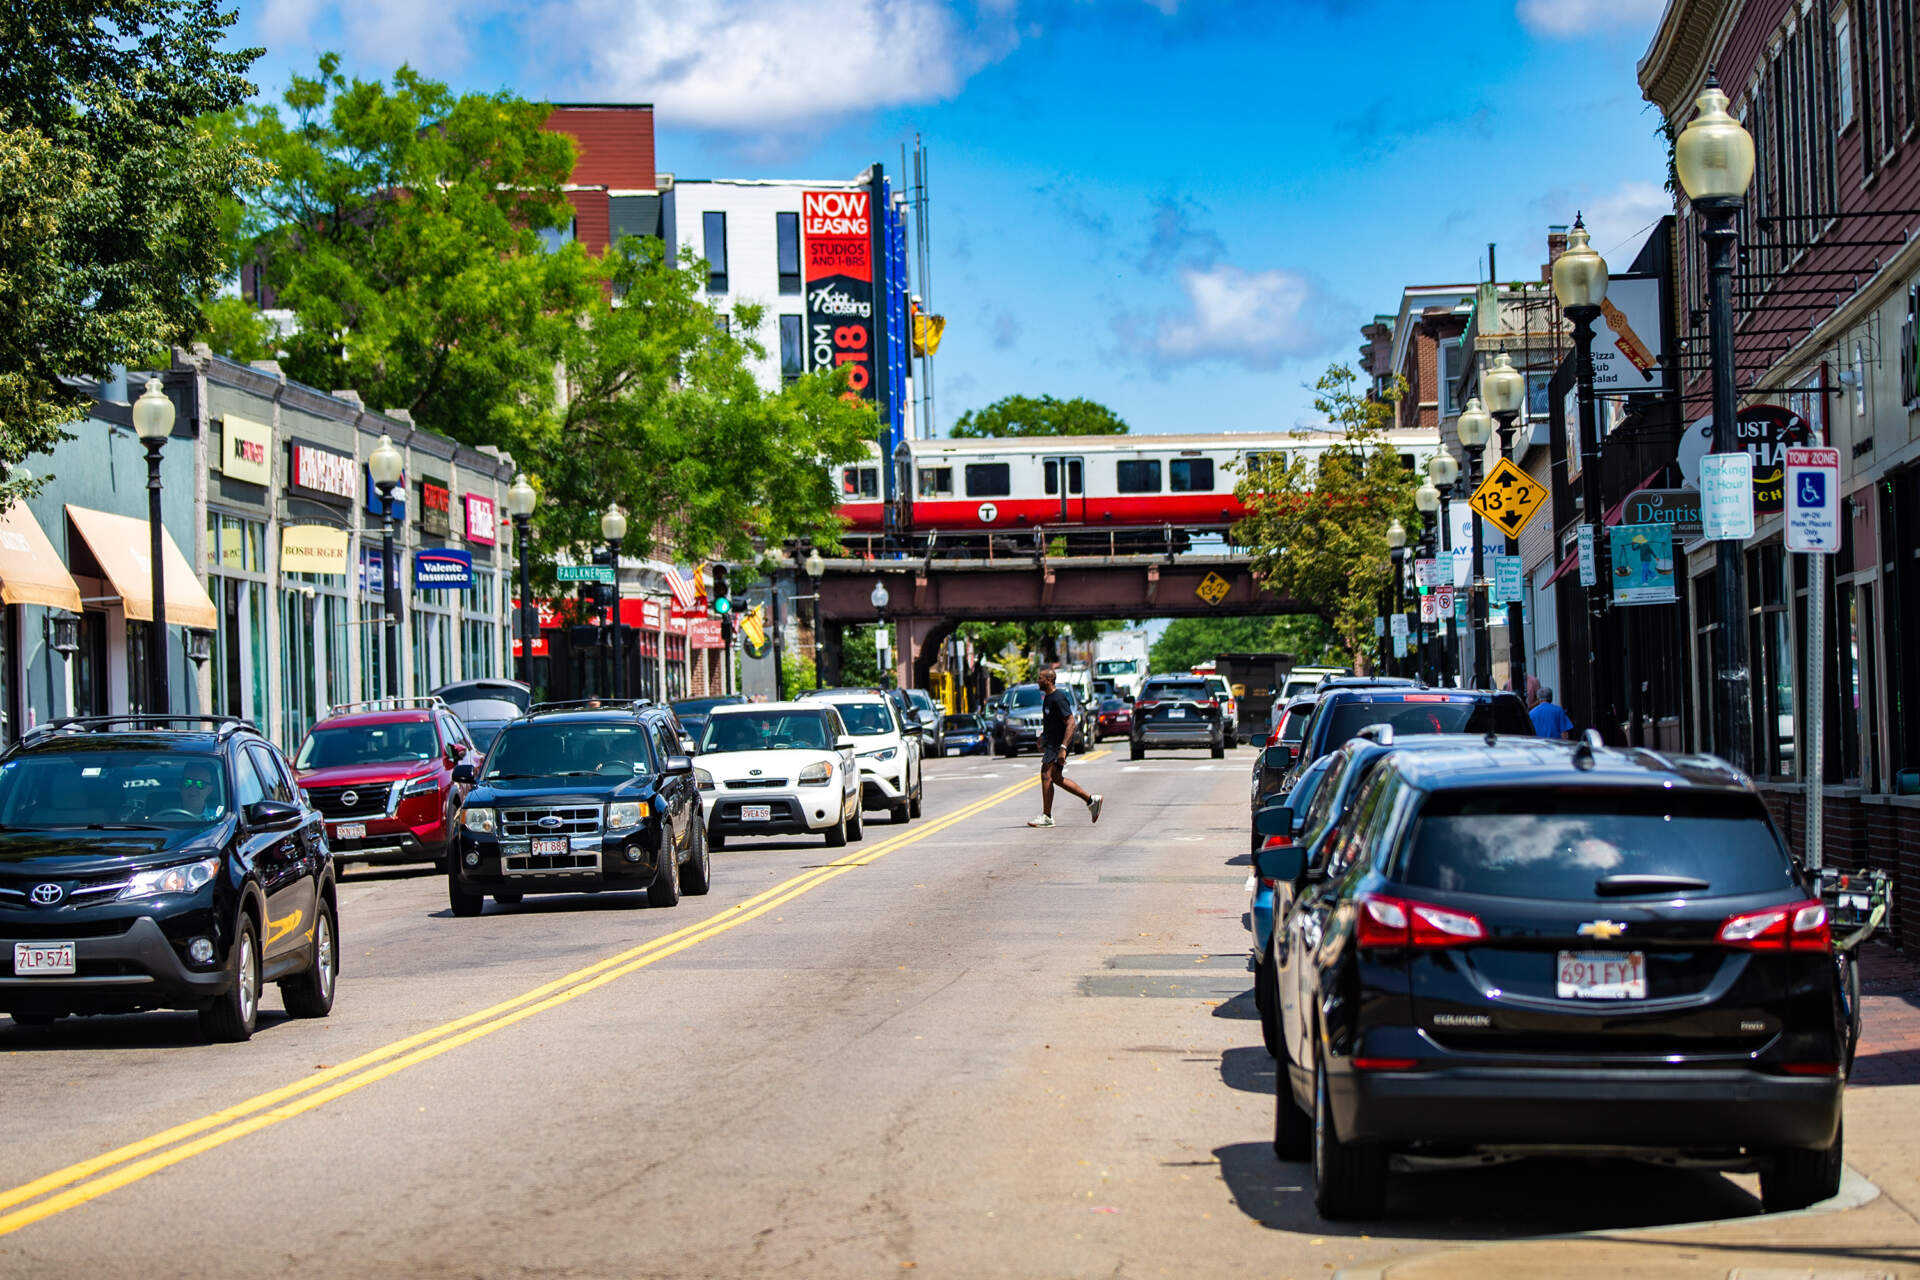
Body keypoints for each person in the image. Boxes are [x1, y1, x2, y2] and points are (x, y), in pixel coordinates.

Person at [1028, 667, 1102, 828]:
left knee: (1045, 774)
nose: (1037, 680)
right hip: (1053, 743)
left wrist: (1063, 747)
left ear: (1049, 680)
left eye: (1040, 677)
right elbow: (1052, 722)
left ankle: (1047, 816)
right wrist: (1043, 736)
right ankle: (1091, 800)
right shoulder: (1048, 698)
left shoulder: (1058, 697)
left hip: (1057, 745)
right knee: (1056, 778)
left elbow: (1071, 722)